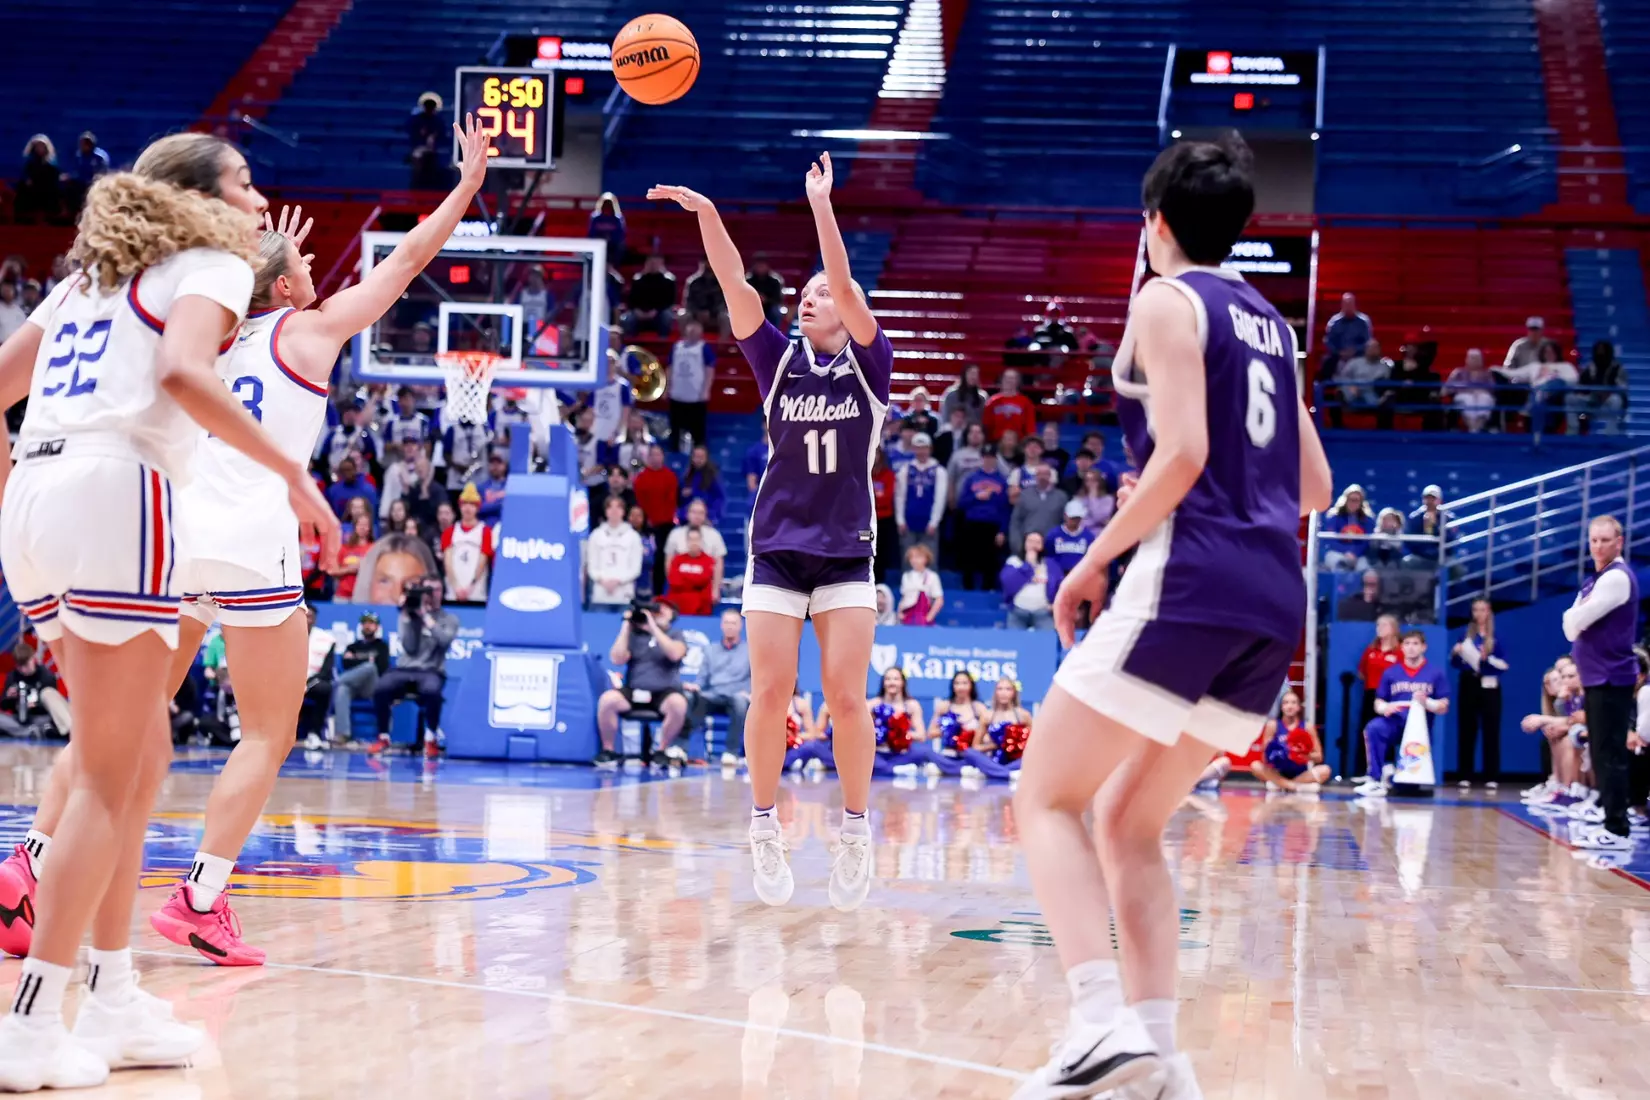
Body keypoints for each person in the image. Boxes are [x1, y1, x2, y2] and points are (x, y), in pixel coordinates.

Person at [0, 130, 339, 1085]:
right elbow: (185, 376)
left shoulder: (84, 282)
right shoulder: (211, 262)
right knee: (115, 779)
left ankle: (110, 998)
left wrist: (22, 500)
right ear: (196, 196)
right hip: (120, 495)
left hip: (37, 500)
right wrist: (293, 478)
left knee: (138, 759)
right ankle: (32, 1020)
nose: (257, 192)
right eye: (242, 178)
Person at [1012, 135, 1332, 1100]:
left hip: (1191, 579)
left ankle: (1096, 1024)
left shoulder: (1163, 299)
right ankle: (1158, 1058)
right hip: (1275, 600)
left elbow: (1183, 452)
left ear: (1153, 222)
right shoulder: (1271, 320)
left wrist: (1094, 557)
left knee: (1045, 797)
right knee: (1127, 821)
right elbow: (1314, 484)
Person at [650, 151, 886, 912]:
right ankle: (761, 826)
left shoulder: (872, 367)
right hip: (777, 550)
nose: (814, 300)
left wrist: (821, 206)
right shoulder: (776, 362)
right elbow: (734, 286)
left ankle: (854, 831)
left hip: (847, 550)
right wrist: (708, 215)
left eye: (825, 294)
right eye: (809, 293)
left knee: (847, 700)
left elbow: (846, 285)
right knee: (770, 693)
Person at [1561, 516, 1638, 850]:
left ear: (1619, 542)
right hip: (1598, 678)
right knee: (1603, 750)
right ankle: (1609, 814)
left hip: (1611, 677)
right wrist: (1573, 618)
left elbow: (1575, 620)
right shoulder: (1598, 579)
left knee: (1610, 753)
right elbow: (1569, 625)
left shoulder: (1616, 579)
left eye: (1605, 540)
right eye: (1593, 540)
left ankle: (1617, 829)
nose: (1597, 546)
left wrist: (1574, 617)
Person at [370, 575, 461, 757]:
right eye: (428, 590)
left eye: (436, 590)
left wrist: (426, 617)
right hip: (405, 668)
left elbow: (444, 641)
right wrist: (408, 617)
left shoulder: (449, 618)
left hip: (431, 670)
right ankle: (383, 737)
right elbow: (409, 647)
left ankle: (430, 738)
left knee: (432, 691)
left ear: (442, 593)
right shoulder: (409, 615)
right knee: (381, 688)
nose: (432, 594)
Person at [594, 602, 690, 769]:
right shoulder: (634, 635)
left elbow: (675, 654)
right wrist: (626, 625)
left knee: (678, 704)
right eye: (655, 610)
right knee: (608, 700)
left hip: (663, 692)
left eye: (662, 611)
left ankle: (661, 751)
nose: (657, 613)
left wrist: (653, 627)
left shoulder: (676, 634)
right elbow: (617, 659)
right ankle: (608, 751)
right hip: (634, 690)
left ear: (672, 615)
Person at [1355, 630, 1450, 796]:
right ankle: (1375, 779)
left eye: (1415, 644)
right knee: (1374, 728)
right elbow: (1378, 702)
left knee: (1408, 789)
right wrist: (1385, 708)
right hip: (1395, 723)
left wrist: (1427, 702)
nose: (1411, 648)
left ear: (1423, 647)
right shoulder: (1391, 673)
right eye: (1407, 644)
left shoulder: (1435, 673)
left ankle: (1391, 776)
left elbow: (1444, 706)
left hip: (1419, 731)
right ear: (1402, 647)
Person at [1452, 598, 1507, 789]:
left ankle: (1491, 775)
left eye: (1482, 610)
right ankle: (1465, 774)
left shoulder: (1496, 636)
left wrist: (1487, 658)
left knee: (1491, 730)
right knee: (1467, 729)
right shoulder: (1465, 635)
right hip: (1469, 683)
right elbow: (1455, 664)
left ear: (1489, 611)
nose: (1479, 614)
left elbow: (1503, 664)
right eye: (1475, 610)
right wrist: (1456, 653)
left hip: (1490, 685)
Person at [689, 609, 752, 765]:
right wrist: (696, 686)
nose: (730, 626)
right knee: (693, 699)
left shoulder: (750, 650)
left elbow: (757, 677)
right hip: (714, 695)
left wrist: (751, 693)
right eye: (726, 622)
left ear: (741, 626)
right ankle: (686, 750)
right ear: (721, 625)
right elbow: (702, 678)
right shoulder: (710, 650)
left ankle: (731, 753)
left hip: (738, 695)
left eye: (734, 623)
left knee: (739, 702)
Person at [1249, 691, 1330, 793]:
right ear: (1281, 707)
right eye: (1286, 703)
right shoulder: (1273, 725)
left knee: (1325, 770)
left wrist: (1303, 755)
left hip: (1301, 774)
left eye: (1293, 703)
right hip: (1277, 772)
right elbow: (1264, 758)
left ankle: (1282, 785)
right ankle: (1293, 786)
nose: (1289, 706)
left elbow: (1319, 756)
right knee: (1255, 765)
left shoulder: (1307, 727)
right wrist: (1278, 752)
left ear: (1299, 707)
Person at [956, 444, 1010, 590]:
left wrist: (1002, 531)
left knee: (990, 560)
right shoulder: (971, 478)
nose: (988, 460)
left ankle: (987, 590)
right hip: (972, 523)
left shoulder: (1002, 480)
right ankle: (968, 590)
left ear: (995, 459)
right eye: (986, 457)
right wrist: (976, 497)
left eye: (991, 457)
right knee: (969, 558)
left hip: (992, 525)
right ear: (981, 459)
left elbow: (1005, 508)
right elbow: (961, 503)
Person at [332, 611, 390, 745]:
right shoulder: (353, 646)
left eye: (371, 623)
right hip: (354, 685)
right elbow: (346, 664)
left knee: (370, 668)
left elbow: (381, 667)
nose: (367, 626)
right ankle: (343, 734)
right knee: (342, 689)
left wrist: (357, 659)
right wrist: (367, 660)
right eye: (365, 623)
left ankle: (336, 681)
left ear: (377, 627)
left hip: (373, 687)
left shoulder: (382, 646)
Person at [633, 443, 679, 593]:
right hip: (645, 525)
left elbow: (671, 501)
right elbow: (640, 501)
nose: (655, 458)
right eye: (652, 455)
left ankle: (658, 592)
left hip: (664, 526)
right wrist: (646, 522)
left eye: (658, 454)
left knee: (660, 560)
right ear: (648, 457)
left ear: (663, 457)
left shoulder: (670, 476)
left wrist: (663, 521)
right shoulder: (641, 478)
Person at [895, 432, 947, 560]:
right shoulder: (905, 469)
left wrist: (934, 522)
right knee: (908, 560)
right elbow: (899, 497)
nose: (921, 451)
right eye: (918, 448)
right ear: (913, 449)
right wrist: (900, 520)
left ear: (930, 449)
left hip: (928, 523)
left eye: (924, 448)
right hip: (908, 521)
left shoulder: (939, 471)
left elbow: (940, 499)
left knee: (929, 560)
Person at [0, 645, 70, 739]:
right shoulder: (13, 677)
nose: (24, 670)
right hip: (19, 719)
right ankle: (30, 732)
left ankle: (39, 730)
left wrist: (36, 705)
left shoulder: (46, 675)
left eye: (26, 665)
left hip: (42, 718)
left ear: (33, 659)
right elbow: (4, 706)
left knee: (48, 694)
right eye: (20, 667)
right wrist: (8, 697)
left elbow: (52, 705)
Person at [587, 495, 645, 607]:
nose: (614, 511)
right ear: (606, 511)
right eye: (610, 507)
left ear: (623, 511)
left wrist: (618, 581)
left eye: (618, 507)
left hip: (624, 595)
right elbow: (591, 566)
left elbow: (635, 568)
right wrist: (603, 581)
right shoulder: (596, 535)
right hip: (600, 594)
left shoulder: (633, 537)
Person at [667, 319, 716, 449]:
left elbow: (709, 369)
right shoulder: (676, 346)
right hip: (677, 395)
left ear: (700, 331)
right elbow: (670, 367)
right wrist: (667, 387)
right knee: (675, 429)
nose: (693, 331)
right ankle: (675, 455)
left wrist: (706, 390)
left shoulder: (703, 347)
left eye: (696, 329)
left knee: (698, 432)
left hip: (696, 397)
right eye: (691, 329)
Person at [442, 483, 493, 603]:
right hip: (453, 592)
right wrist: (456, 587)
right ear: (460, 507)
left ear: (477, 508)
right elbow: (448, 562)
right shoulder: (450, 531)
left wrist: (471, 586)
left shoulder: (485, 531)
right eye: (464, 504)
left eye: (472, 505)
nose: (467, 508)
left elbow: (483, 561)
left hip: (476, 592)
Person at [1001, 530, 1062, 631]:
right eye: (1030, 541)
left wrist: (1055, 604)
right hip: (1018, 612)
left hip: (1042, 612)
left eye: (1037, 542)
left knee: (1047, 641)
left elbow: (1059, 585)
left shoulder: (1051, 564)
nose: (1033, 545)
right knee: (1013, 642)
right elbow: (1008, 584)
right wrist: (1029, 565)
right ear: (1024, 543)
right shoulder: (1014, 561)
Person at [1008, 460, 1068, 558]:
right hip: (1028, 546)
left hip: (1053, 547)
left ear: (1050, 476)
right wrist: (1017, 545)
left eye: (1045, 474)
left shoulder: (1061, 497)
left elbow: (1065, 523)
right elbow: (1015, 522)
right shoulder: (1024, 495)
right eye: (1039, 474)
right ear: (1035, 476)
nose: (1042, 477)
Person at [297, 605, 336, 749]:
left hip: (312, 682)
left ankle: (315, 734)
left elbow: (326, 671)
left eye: (310, 617)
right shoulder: (286, 636)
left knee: (325, 689)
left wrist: (307, 683)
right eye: (305, 616)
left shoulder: (326, 640)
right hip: (288, 681)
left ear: (315, 620)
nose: (307, 620)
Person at [1570, 340, 1627, 435]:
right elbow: (1579, 387)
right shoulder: (1588, 368)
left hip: (1608, 406)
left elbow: (1623, 389)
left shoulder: (1618, 368)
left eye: (1603, 351)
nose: (1600, 354)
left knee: (1616, 400)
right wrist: (1591, 393)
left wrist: (1608, 392)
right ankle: (1573, 430)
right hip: (1589, 408)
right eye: (1598, 351)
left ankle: (1611, 433)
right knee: (1570, 398)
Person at [664, 527, 718, 616]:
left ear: (701, 541)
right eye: (691, 539)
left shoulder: (708, 560)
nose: (694, 542)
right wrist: (694, 581)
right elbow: (674, 581)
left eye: (696, 539)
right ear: (686, 541)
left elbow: (703, 579)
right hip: (676, 606)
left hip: (700, 608)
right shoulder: (677, 559)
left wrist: (684, 578)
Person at [1320, 484, 1374, 572]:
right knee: (1340, 564)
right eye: (1350, 500)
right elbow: (1330, 540)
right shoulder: (1334, 517)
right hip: (1337, 552)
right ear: (1345, 500)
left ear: (1361, 502)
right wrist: (1347, 552)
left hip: (1358, 555)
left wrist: (1355, 553)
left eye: (1356, 500)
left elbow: (1366, 542)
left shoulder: (1367, 520)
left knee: (1365, 568)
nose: (1353, 503)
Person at [1443, 348, 1496, 432]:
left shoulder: (1487, 373)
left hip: (1482, 394)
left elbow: (1492, 388)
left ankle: (1475, 428)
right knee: (1468, 399)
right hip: (1463, 394)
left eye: (1477, 358)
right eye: (1472, 358)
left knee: (1484, 399)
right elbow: (1449, 387)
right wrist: (1468, 390)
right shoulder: (1458, 372)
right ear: (1467, 359)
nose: (1475, 360)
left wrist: (1481, 390)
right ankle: (1473, 428)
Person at [983, 367, 1037, 443]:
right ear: (1001, 380)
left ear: (1018, 381)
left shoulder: (1026, 402)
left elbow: (1030, 429)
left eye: (1012, 378)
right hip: (996, 442)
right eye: (1006, 378)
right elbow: (986, 426)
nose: (1009, 381)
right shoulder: (992, 402)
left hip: (1018, 443)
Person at [678, 444, 725, 526]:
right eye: (696, 456)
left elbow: (719, 498)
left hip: (706, 518)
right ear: (692, 458)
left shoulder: (713, 476)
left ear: (706, 458)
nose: (698, 460)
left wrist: (711, 516)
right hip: (687, 519)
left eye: (701, 457)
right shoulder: (686, 475)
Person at [331, 513, 375, 600]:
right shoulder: (345, 548)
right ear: (355, 526)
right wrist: (349, 569)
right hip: (342, 595)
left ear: (370, 528)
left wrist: (363, 568)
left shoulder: (374, 548)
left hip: (363, 595)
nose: (362, 527)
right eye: (360, 524)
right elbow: (333, 571)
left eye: (365, 525)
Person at [898, 543, 944, 625]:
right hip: (908, 615)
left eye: (917, 557)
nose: (914, 560)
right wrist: (900, 613)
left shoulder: (932, 576)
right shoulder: (906, 576)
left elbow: (939, 600)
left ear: (925, 559)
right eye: (911, 557)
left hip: (924, 615)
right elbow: (904, 597)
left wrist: (929, 618)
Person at [1046, 500, 1095, 576]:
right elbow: (1049, 556)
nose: (1075, 520)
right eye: (1072, 517)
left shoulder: (1088, 536)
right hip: (1058, 575)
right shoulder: (1053, 535)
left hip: (1080, 576)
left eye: (1077, 517)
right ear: (1065, 515)